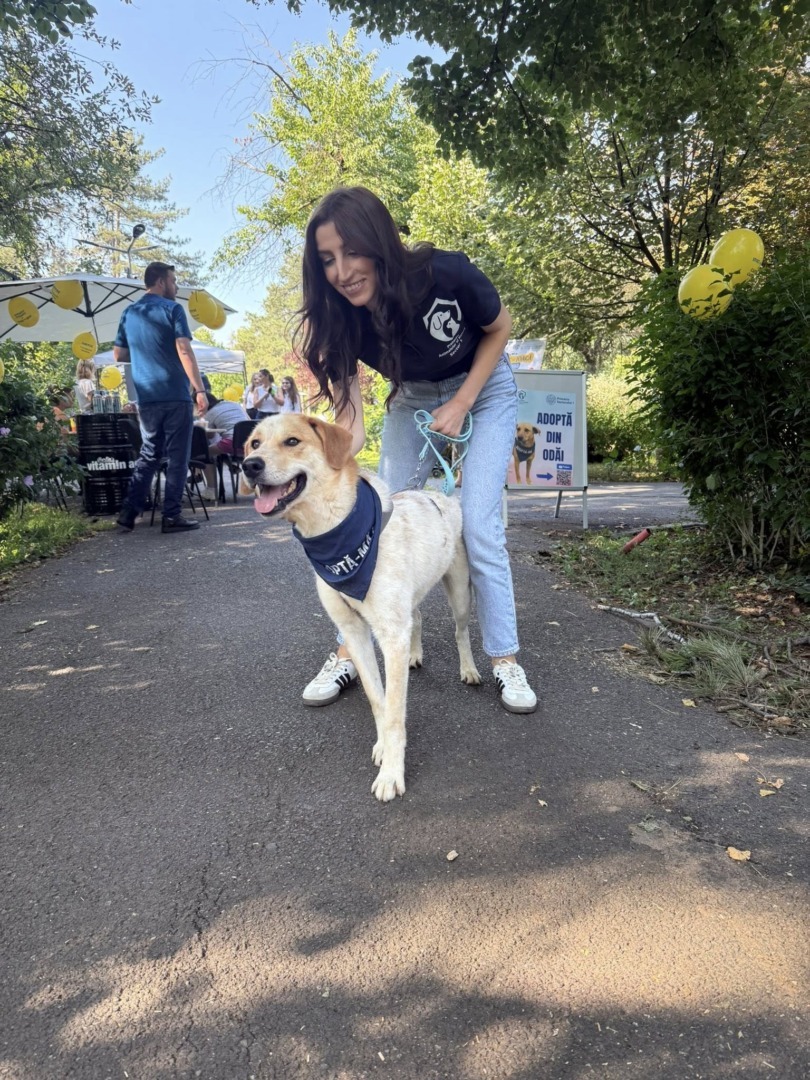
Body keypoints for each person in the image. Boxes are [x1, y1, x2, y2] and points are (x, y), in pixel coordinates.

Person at [295, 185, 537, 714]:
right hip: (412, 398)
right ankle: (349, 651)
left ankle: (504, 657)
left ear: (379, 242)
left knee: (478, 523)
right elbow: (350, 430)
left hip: (486, 389)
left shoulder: (444, 274)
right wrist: (319, 471)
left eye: (351, 251)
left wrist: (463, 402)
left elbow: (500, 328)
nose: (342, 271)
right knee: (381, 518)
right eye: (328, 259)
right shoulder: (341, 319)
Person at [112, 261, 208, 534]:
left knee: (149, 454)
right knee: (178, 456)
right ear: (161, 281)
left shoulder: (129, 312)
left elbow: (119, 354)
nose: (176, 287)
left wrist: (147, 353)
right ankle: (171, 516)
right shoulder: (172, 309)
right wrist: (200, 389)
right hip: (175, 393)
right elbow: (184, 350)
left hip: (146, 395)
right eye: (173, 281)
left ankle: (128, 514)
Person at [195, 391, 249, 490]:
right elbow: (250, 420)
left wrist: (201, 420)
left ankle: (211, 488)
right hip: (251, 443)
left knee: (204, 453)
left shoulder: (210, 413)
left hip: (231, 443)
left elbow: (209, 435)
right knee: (220, 445)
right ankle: (229, 463)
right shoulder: (234, 404)